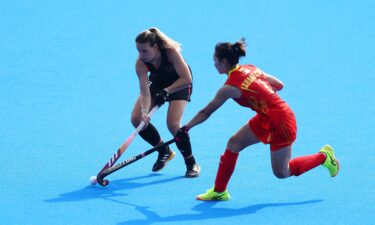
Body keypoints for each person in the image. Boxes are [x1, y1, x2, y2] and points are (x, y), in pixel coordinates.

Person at [175, 38, 339, 200]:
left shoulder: (229, 88)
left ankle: (324, 157)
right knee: (234, 144)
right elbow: (279, 85)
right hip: (266, 116)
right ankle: (219, 191)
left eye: (215, 61)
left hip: (281, 122)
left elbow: (206, 112)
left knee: (282, 172)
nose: (214, 64)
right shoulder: (251, 68)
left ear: (224, 62)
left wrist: (186, 127)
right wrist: (261, 95)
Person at [131, 27, 200, 178]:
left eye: (144, 51)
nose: (141, 55)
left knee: (173, 124)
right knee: (136, 119)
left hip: (179, 84)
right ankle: (163, 150)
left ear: (155, 47)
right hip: (158, 84)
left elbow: (187, 78)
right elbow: (144, 91)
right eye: (138, 51)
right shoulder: (140, 63)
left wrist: (167, 91)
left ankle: (191, 163)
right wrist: (144, 111)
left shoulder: (170, 52)